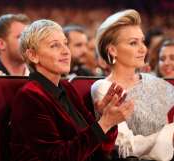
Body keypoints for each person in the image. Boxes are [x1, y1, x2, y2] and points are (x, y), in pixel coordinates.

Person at [10, 19, 134, 161]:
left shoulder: (67, 88)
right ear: (33, 55)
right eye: (55, 45)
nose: (66, 51)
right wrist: (104, 123)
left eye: (65, 43)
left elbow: (103, 147)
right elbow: (56, 157)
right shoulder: (29, 96)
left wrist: (105, 117)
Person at [91, 9, 174, 161]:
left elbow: (165, 150)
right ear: (112, 50)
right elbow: (126, 148)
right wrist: (170, 130)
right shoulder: (104, 87)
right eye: (133, 43)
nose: (143, 49)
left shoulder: (154, 82)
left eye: (142, 41)